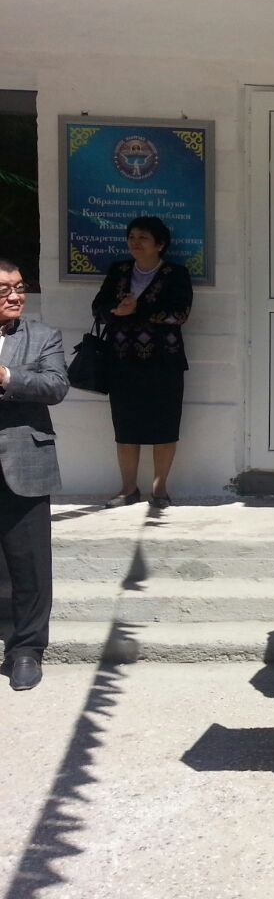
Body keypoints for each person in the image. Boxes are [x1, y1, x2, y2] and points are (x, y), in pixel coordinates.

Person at [0, 260, 69, 691]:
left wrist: (7, 376)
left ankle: (26, 650)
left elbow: (56, 386)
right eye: (4, 289)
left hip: (24, 462)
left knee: (29, 565)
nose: (15, 296)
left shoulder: (42, 336)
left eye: (20, 287)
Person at [91, 216, 192, 509]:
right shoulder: (119, 270)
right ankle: (128, 489)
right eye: (132, 237)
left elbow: (180, 314)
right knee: (125, 426)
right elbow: (98, 307)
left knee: (165, 425)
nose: (135, 242)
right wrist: (116, 311)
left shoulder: (176, 274)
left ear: (160, 244)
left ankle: (160, 490)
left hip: (164, 361)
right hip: (122, 360)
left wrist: (138, 309)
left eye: (143, 237)